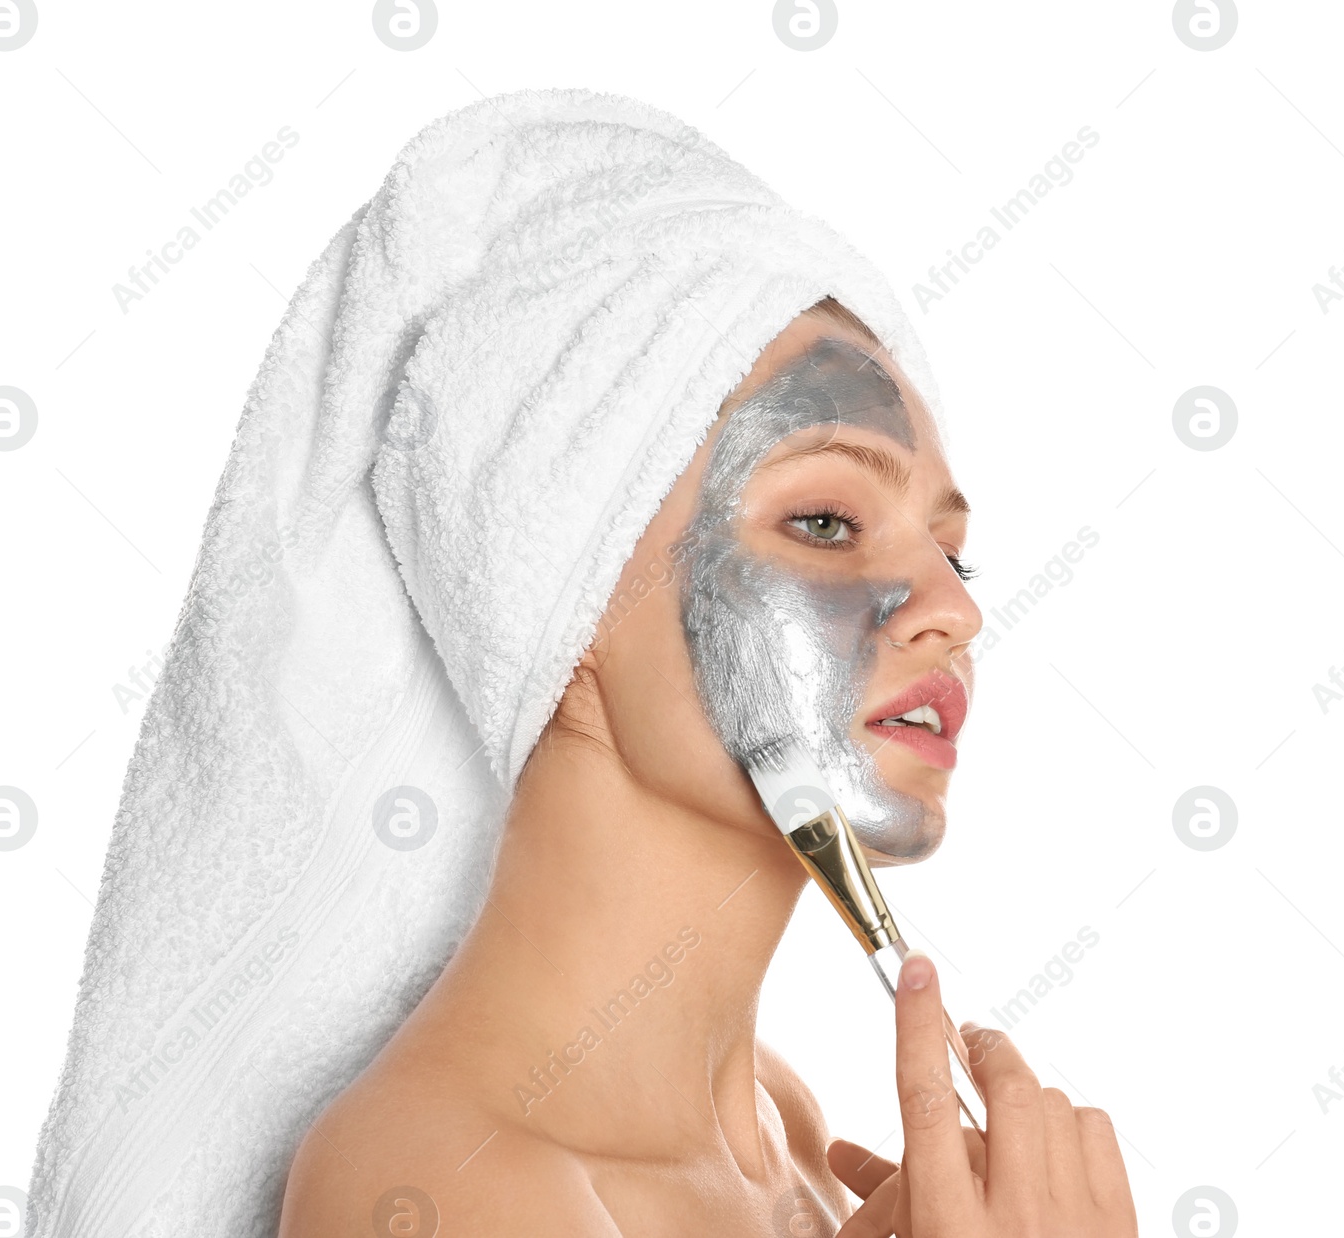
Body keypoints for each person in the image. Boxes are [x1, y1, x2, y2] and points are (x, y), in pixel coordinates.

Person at [277, 299, 1139, 1236]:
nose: (954, 611)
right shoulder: (453, 1187)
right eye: (824, 521)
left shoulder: (789, 1133)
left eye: (954, 557)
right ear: (553, 594)